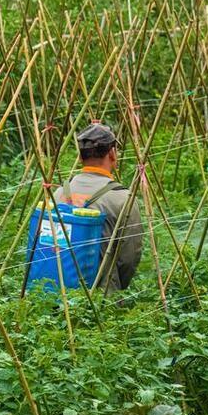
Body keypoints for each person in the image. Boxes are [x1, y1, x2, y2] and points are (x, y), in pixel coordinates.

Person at [59, 123, 142, 293]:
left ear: (81, 157)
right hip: (101, 298)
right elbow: (129, 257)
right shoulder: (122, 198)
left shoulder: (59, 192)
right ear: (112, 153)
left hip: (55, 291)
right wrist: (116, 287)